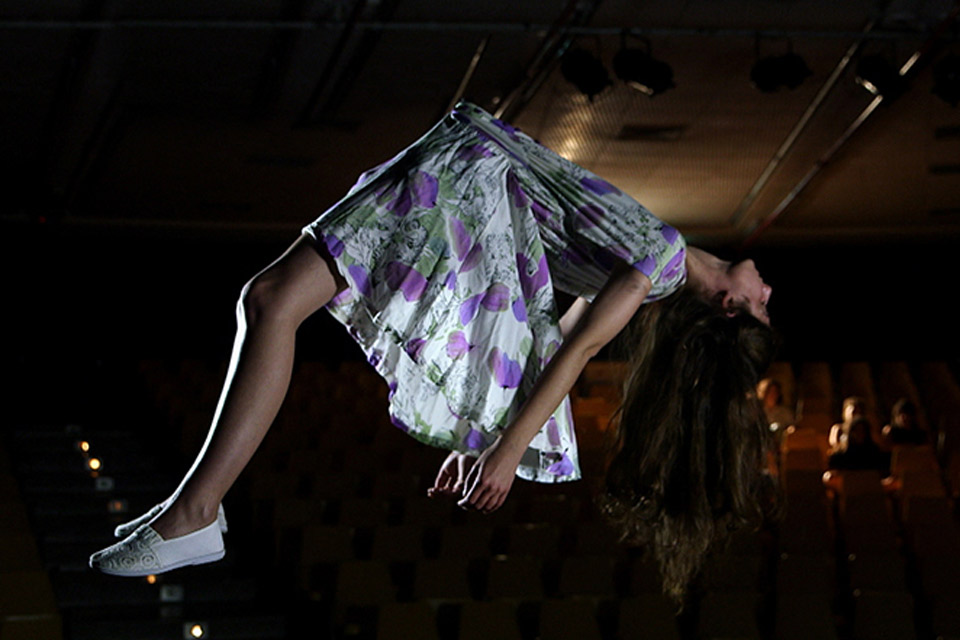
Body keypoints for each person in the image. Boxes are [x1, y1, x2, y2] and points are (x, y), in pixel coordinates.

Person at [89, 103, 776, 600]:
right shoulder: (657, 261)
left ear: (728, 305)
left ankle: (196, 511)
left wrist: (502, 453)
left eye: (764, 305)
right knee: (267, 299)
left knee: (269, 301)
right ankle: (193, 507)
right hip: (458, 176)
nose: (769, 290)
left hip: (457, 187)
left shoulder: (657, 263)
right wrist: (481, 432)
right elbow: (559, 335)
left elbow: (577, 350)